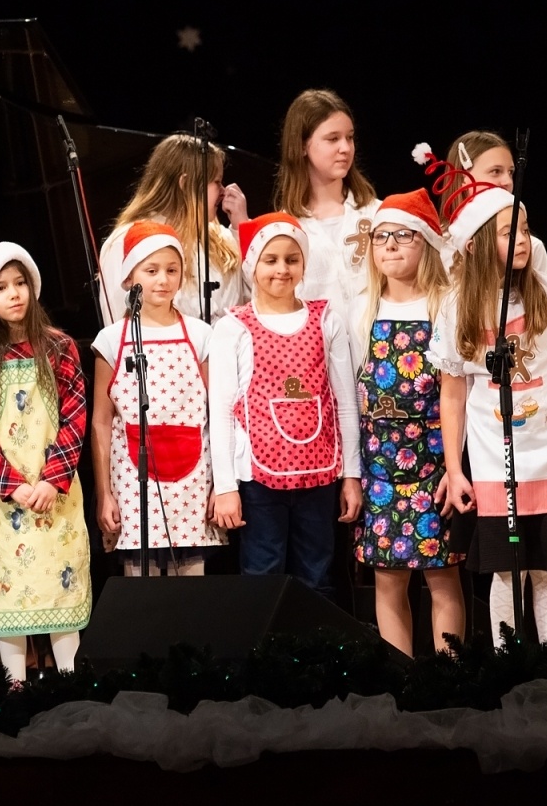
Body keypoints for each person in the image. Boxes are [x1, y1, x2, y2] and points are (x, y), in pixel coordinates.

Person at [428, 149, 547, 643]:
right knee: (506, 571)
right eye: (508, 232)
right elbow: (453, 394)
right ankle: (508, 662)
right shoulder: (458, 307)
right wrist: (455, 467)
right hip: (492, 461)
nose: (522, 240)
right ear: (478, 244)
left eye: (525, 229)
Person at [208, 214, 361, 598]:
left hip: (319, 475)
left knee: (317, 576)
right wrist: (225, 486)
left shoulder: (326, 320)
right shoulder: (233, 327)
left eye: (292, 259)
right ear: (252, 265)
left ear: (304, 265)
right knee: (262, 574)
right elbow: (222, 412)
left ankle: (314, 638)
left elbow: (345, 403)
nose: (282, 269)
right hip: (259, 480)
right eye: (271, 260)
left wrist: (351, 475)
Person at [0, 242, 91, 682]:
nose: (13, 294)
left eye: (20, 283)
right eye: (1, 288)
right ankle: (13, 688)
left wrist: (52, 480)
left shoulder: (59, 346)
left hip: (56, 494)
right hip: (6, 498)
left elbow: (74, 416)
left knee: (60, 587)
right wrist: (11, 484)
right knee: (10, 591)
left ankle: (71, 685)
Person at [348, 191, 465, 655]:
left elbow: (457, 395)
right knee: (388, 578)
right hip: (380, 468)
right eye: (381, 237)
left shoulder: (445, 307)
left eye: (403, 236)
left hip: (434, 464)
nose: (391, 245)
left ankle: (450, 679)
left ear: (428, 243)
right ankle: (401, 679)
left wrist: (454, 467)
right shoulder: (362, 310)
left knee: (443, 577)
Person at [91, 222, 225, 574]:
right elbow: (102, 422)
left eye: (171, 270)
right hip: (134, 484)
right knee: (142, 587)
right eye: (151, 271)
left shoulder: (201, 335)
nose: (163, 280)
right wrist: (104, 493)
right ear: (129, 277)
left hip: (193, 483)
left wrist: (222, 486)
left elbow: (218, 414)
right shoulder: (111, 340)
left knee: (191, 584)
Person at [97, 133, 246, 324]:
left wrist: (242, 229)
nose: (224, 191)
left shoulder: (222, 237)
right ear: (185, 184)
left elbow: (256, 301)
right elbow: (121, 326)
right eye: (217, 182)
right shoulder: (127, 242)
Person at [272, 88, 380, 305]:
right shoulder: (285, 229)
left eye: (349, 137)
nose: (345, 148)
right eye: (333, 139)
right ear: (302, 146)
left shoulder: (378, 213)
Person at [437, 130, 547, 274]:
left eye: (510, 172)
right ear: (462, 177)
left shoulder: (530, 249)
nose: (508, 182)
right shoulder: (434, 245)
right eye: (496, 171)